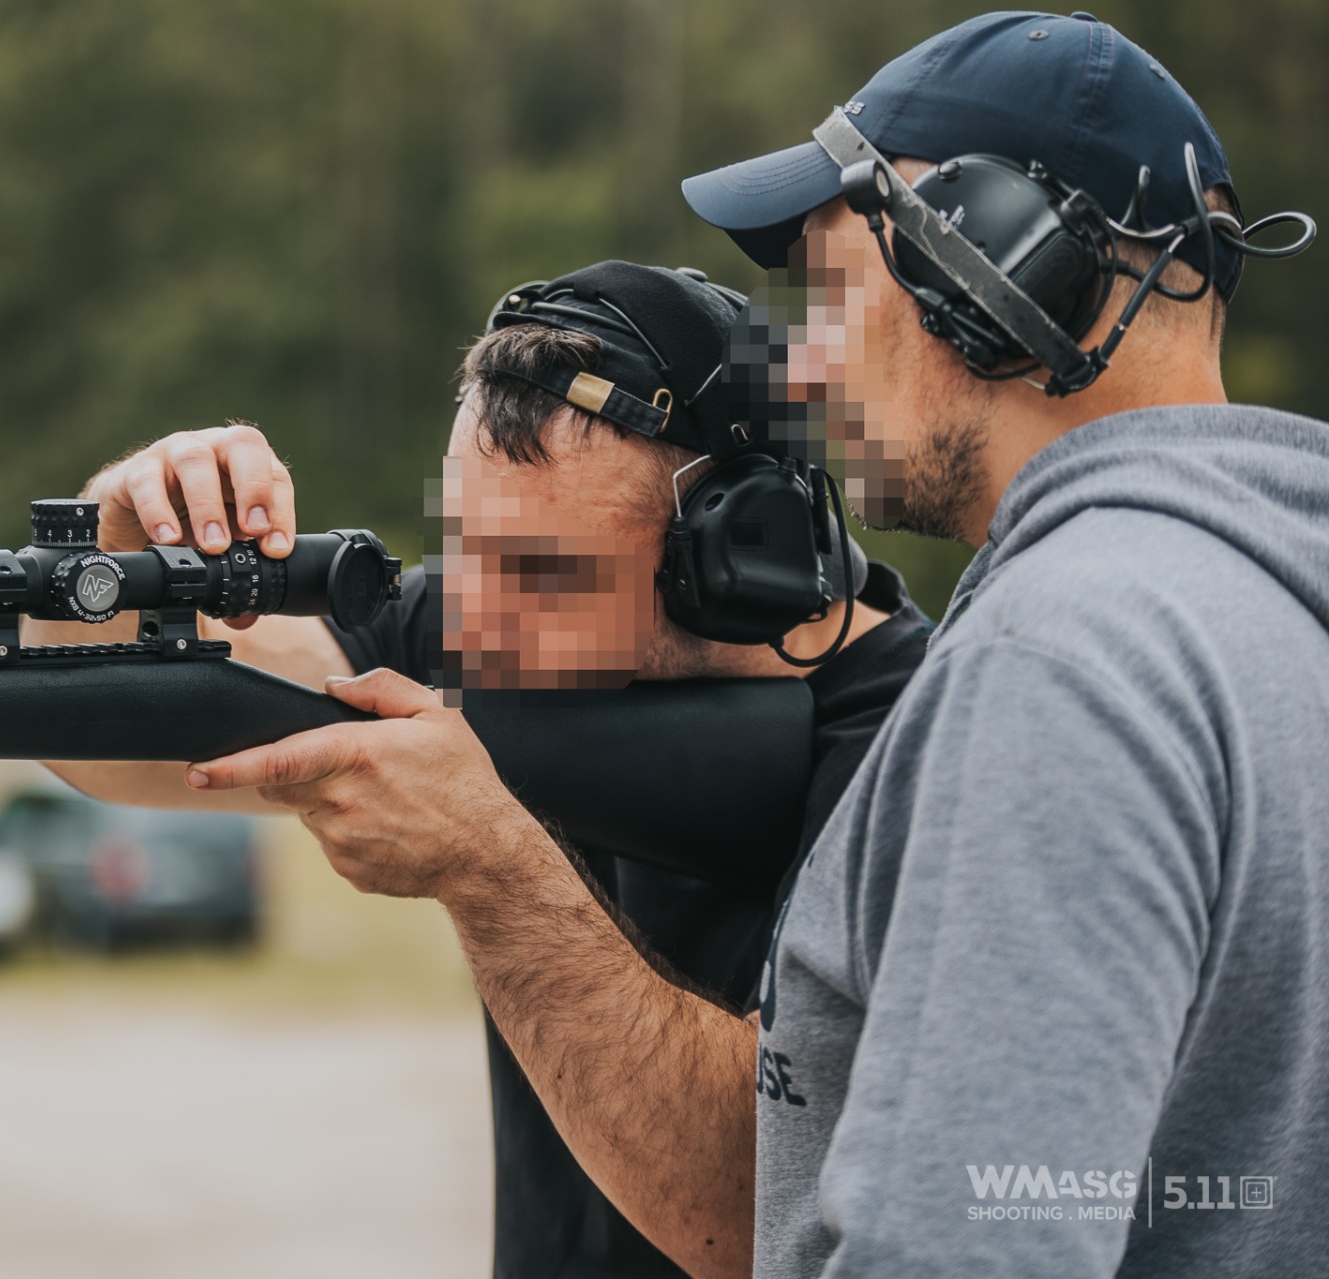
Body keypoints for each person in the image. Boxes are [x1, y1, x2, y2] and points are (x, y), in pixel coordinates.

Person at [199, 10, 1329, 1278]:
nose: (816, 365)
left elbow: (951, 1247)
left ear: (996, 271)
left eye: (836, 289)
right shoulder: (1269, 615)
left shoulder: (1061, 662)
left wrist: (497, 874)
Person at [30, 261, 931, 1279]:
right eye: (463, 554)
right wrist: (111, 540)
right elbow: (97, 733)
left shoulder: (934, 743)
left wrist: (495, 871)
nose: (473, 627)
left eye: (544, 573)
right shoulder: (479, 623)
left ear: (740, 558)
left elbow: (762, 1217)